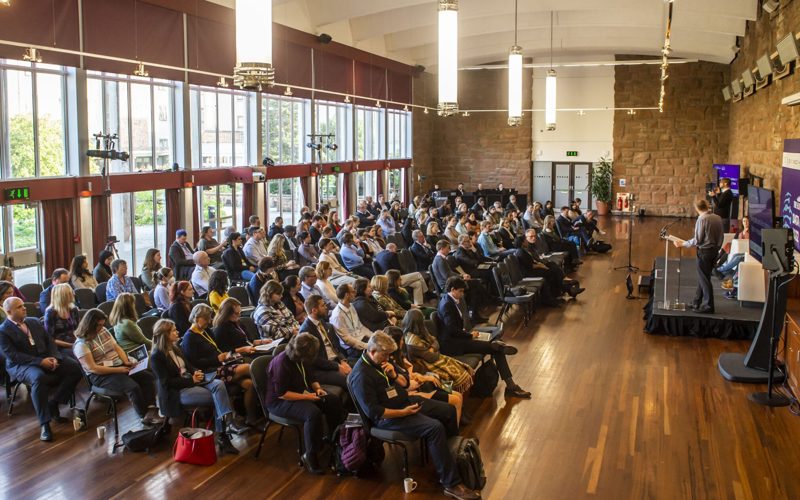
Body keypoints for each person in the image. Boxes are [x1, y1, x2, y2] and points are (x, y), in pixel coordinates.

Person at [348, 332, 479, 500]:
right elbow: (374, 412)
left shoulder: (382, 362)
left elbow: (406, 383)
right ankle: (451, 483)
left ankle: (450, 456)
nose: (388, 358)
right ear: (372, 351)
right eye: (385, 355)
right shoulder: (361, 376)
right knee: (434, 428)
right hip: (389, 417)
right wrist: (404, 412)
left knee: (448, 410)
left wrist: (394, 376)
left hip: (405, 401)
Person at [150, 318, 240, 455]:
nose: (177, 331)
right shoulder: (157, 356)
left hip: (192, 381)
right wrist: (191, 380)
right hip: (178, 391)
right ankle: (224, 434)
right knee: (218, 395)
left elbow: (188, 365)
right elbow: (167, 383)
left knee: (219, 384)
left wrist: (195, 372)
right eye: (174, 330)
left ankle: (225, 428)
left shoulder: (175, 347)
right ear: (165, 335)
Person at [0, 297, 82, 442]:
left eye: (23, 305)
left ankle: (54, 403)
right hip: (21, 365)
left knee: (74, 367)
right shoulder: (3, 330)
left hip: (45, 357)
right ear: (8, 311)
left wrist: (54, 357)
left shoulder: (33, 321)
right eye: (19, 307)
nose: (24, 308)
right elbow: (13, 355)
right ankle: (45, 424)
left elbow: (49, 341)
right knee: (38, 377)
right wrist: (40, 362)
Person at [437, 277, 531, 399]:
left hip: (459, 339)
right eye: (460, 291)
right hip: (453, 345)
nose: (462, 294)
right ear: (452, 289)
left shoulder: (450, 300)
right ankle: (511, 386)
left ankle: (500, 351)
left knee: (497, 347)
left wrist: (466, 333)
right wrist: (470, 335)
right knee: (496, 347)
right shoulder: (447, 305)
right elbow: (451, 330)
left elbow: (454, 328)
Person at [266, 333, 345, 474]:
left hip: (301, 393)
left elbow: (310, 376)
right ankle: (310, 455)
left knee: (331, 399)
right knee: (312, 413)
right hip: (279, 402)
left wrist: (318, 389)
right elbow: (282, 394)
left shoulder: (301, 358)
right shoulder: (281, 363)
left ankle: (333, 437)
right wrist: (309, 398)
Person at [73, 309, 161, 425]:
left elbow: (116, 347)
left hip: (117, 366)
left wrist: (126, 360)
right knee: (133, 387)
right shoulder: (81, 344)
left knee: (147, 377)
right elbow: (93, 368)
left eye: (102, 324)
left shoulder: (103, 331)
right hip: (100, 375)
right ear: (90, 325)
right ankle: (144, 416)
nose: (101, 327)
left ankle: (151, 409)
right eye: (98, 325)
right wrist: (119, 369)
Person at [180, 303, 260, 427]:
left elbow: (218, 349)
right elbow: (194, 363)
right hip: (209, 372)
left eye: (209, 318)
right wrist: (216, 358)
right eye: (206, 318)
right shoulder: (189, 338)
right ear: (196, 319)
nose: (209, 321)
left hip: (220, 365)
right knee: (249, 368)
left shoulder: (205, 331)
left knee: (249, 384)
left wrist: (226, 356)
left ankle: (251, 418)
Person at [386, 326, 465, 425]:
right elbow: (405, 383)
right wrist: (423, 377)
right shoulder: (390, 362)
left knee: (457, 394)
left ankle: (459, 418)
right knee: (455, 399)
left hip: (422, 382)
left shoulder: (400, 355)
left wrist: (415, 374)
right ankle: (455, 429)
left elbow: (409, 373)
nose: (403, 342)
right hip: (419, 390)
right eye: (401, 339)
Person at [402, 308, 473, 393]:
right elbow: (431, 358)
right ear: (419, 322)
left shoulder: (421, 331)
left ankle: (456, 396)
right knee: (446, 376)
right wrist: (434, 350)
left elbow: (435, 341)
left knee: (459, 368)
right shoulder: (411, 341)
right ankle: (451, 395)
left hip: (431, 358)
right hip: (422, 365)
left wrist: (432, 349)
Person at [672, 199, 724, 314]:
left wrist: (682, 244)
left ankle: (708, 306)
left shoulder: (702, 219)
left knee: (704, 279)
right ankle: (696, 301)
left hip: (704, 252)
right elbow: (721, 236)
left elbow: (698, 240)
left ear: (696, 209)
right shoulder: (717, 218)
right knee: (704, 277)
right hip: (715, 251)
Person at [299, 295, 350, 389]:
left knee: (360, 370)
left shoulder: (322, 322)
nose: (326, 307)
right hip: (322, 369)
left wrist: (342, 360)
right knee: (349, 380)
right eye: (322, 305)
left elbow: (335, 346)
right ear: (314, 310)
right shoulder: (306, 331)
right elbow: (314, 360)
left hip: (335, 360)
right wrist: (337, 366)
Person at [329, 283, 374, 359]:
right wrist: (367, 345)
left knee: (383, 343)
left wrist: (374, 336)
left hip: (362, 339)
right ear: (347, 295)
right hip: (353, 348)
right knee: (378, 353)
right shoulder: (337, 315)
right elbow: (347, 339)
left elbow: (361, 327)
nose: (355, 293)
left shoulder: (351, 306)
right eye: (353, 292)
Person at [43, 283, 81, 359]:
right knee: (79, 356)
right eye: (70, 293)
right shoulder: (51, 313)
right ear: (63, 297)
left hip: (75, 342)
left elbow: (79, 329)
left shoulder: (73, 309)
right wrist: (70, 345)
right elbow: (50, 339)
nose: (73, 294)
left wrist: (80, 342)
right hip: (60, 346)